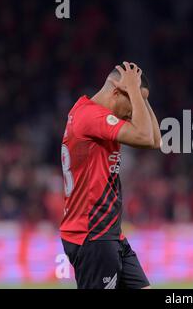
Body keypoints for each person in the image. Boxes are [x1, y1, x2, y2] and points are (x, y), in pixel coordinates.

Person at [60, 62, 161, 289]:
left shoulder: (92, 114)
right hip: (92, 236)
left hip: (109, 233)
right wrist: (135, 90)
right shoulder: (90, 116)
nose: (133, 111)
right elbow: (145, 137)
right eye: (132, 101)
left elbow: (155, 141)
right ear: (116, 92)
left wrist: (138, 94)